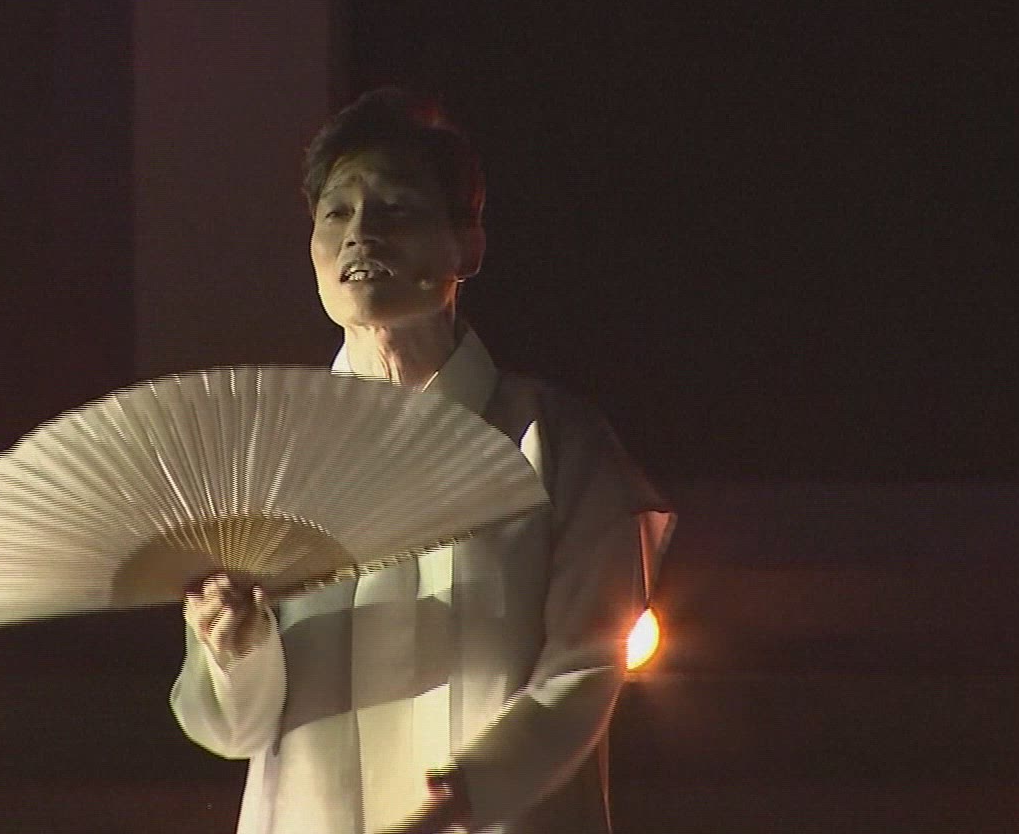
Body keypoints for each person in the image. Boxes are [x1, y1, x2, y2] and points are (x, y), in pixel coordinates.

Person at [169, 88, 674, 834]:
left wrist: (463, 799)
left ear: (467, 245)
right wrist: (233, 652)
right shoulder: (268, 458)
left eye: (396, 208)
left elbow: (586, 668)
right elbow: (232, 729)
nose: (360, 235)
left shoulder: (556, 442)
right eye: (336, 213)